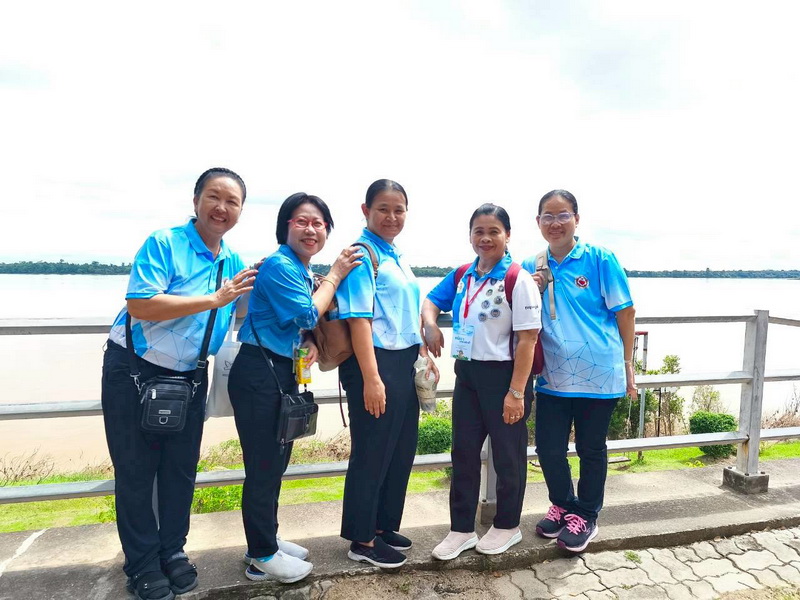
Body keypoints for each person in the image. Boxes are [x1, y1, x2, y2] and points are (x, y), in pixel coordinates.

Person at [102, 168, 257, 600]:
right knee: (135, 471)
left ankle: (172, 550)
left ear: (241, 211)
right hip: (135, 370)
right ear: (195, 201)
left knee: (180, 471)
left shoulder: (233, 261)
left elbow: (248, 311)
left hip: (190, 375)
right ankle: (142, 563)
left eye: (232, 201)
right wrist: (215, 299)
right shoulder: (165, 243)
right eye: (213, 197)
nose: (221, 208)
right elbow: (141, 304)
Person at [228, 192, 360, 584]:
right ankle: (261, 555)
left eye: (319, 223)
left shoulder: (300, 269)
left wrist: (307, 340)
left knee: (275, 464)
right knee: (263, 467)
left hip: (279, 372)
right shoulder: (280, 265)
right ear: (285, 226)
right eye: (301, 221)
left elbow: (296, 324)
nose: (311, 229)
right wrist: (335, 275)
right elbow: (305, 313)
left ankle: (266, 539)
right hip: (259, 373)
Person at [422, 204, 541, 560]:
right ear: (470, 235)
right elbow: (431, 301)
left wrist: (516, 392)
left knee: (507, 455)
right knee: (463, 453)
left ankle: (508, 525)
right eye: (479, 231)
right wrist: (431, 324)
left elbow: (528, 339)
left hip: (505, 377)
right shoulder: (464, 275)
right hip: (468, 375)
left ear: (507, 235)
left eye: (493, 231)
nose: (485, 238)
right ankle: (461, 528)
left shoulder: (518, 279)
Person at [521, 189, 636, 553]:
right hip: (552, 376)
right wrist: (532, 291)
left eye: (563, 215)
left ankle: (586, 515)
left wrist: (628, 365)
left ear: (576, 219)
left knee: (590, 448)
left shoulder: (600, 259)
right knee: (548, 448)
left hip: (599, 374)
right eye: (548, 216)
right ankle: (563, 504)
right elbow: (517, 314)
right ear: (538, 221)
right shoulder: (531, 266)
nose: (555, 223)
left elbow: (626, 313)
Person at [335, 179, 439, 568]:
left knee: (399, 449)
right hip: (374, 362)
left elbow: (405, 314)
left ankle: (382, 526)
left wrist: (423, 350)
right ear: (366, 211)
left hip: (403, 360)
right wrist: (372, 378)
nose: (391, 216)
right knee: (372, 451)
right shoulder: (362, 255)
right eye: (383, 209)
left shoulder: (394, 254)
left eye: (399, 210)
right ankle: (361, 539)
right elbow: (359, 320)